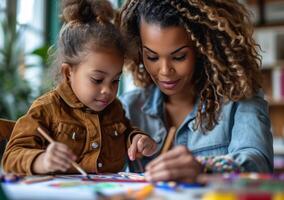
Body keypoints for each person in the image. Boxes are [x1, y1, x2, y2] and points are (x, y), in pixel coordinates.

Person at [118, 0, 273, 182]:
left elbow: (259, 162)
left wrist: (204, 168)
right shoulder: (127, 107)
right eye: (152, 57)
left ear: (201, 48)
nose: (165, 70)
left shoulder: (239, 100)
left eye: (179, 57)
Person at [2, 0, 157, 175]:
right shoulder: (45, 109)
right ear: (68, 73)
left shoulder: (114, 109)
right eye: (97, 80)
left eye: (115, 80)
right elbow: (11, 157)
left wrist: (136, 139)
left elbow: (126, 131)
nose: (108, 90)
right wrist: (42, 161)